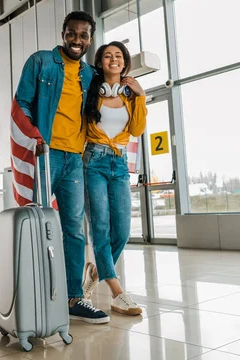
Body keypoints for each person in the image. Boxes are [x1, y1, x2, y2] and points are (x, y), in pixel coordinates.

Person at [14, 11, 110, 324]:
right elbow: (22, 104)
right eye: (72, 33)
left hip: (74, 159)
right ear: (63, 33)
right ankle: (38, 293)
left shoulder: (88, 75)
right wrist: (34, 136)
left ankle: (73, 297)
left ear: (90, 39)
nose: (77, 40)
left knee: (73, 230)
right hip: (46, 153)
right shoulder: (41, 62)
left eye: (83, 35)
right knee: (39, 225)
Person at [81, 41, 147, 316]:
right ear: (100, 62)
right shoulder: (90, 92)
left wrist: (141, 95)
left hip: (119, 163)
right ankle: (117, 292)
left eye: (118, 55)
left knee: (121, 230)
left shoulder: (130, 96)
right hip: (93, 161)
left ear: (125, 63)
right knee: (101, 228)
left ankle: (95, 272)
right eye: (108, 55)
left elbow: (137, 128)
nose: (113, 59)